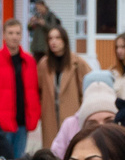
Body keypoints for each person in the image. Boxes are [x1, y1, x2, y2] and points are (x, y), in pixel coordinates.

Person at [0, 19, 40, 159]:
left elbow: (35, 90)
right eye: (10, 33)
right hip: (2, 124)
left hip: (23, 123)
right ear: (4, 35)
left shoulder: (29, 61)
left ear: (21, 35)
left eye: (17, 33)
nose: (14, 36)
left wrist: (35, 113)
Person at [35, 21, 91, 150]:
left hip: (72, 116)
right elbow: (38, 90)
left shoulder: (77, 63)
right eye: (50, 38)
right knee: (51, 153)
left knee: (73, 150)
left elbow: (88, 89)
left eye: (57, 38)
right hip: (50, 117)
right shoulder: (44, 64)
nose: (53, 42)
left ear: (65, 40)